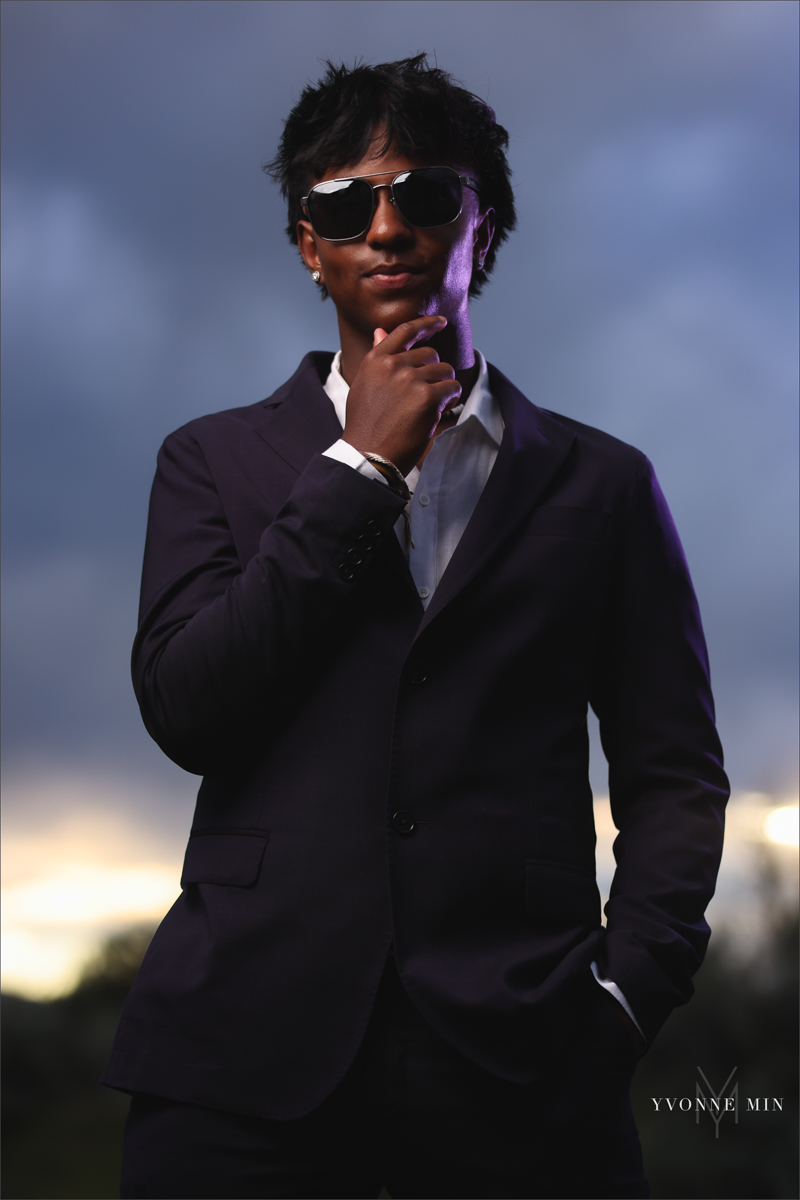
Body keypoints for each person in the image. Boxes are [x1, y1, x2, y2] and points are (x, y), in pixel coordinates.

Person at [104, 55, 729, 1199]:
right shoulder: (209, 462)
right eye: (345, 204)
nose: (385, 226)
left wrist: (630, 987)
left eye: (426, 193)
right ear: (309, 246)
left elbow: (673, 771)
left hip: (526, 1056)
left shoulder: (601, 482)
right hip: (242, 1053)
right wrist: (357, 471)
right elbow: (189, 709)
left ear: (480, 224)